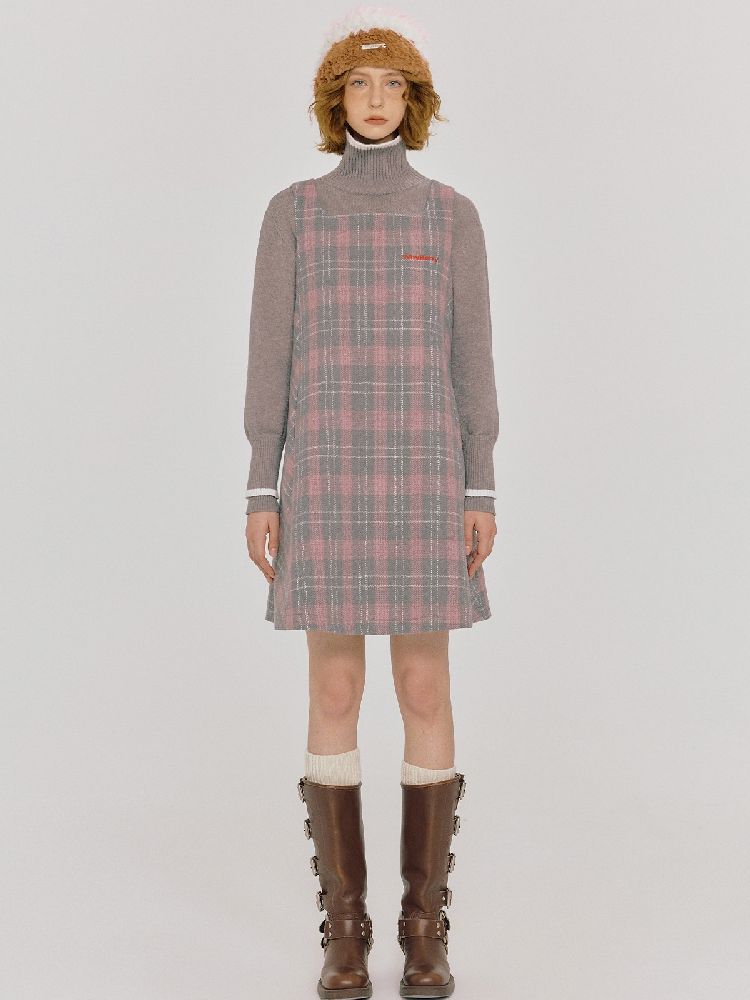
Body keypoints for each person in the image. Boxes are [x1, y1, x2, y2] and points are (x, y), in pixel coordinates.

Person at [243, 8, 499, 997]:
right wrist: (262, 481)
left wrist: (480, 482)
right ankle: (345, 931)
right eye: (359, 83)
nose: (377, 99)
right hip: (325, 474)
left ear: (414, 100)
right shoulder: (295, 213)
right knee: (336, 692)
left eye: (393, 84)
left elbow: (472, 361)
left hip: (428, 475)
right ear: (335, 100)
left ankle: (423, 929)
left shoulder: (450, 215)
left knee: (425, 691)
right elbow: (271, 359)